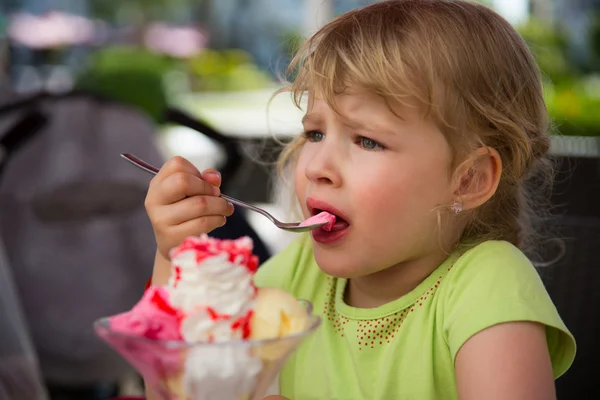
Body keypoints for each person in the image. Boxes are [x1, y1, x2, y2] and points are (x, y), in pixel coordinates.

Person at [143, 1, 576, 399]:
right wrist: (176, 257)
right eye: (314, 133)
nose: (317, 166)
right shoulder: (297, 276)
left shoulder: (486, 284)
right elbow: (179, 387)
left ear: (468, 180)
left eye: (367, 141)